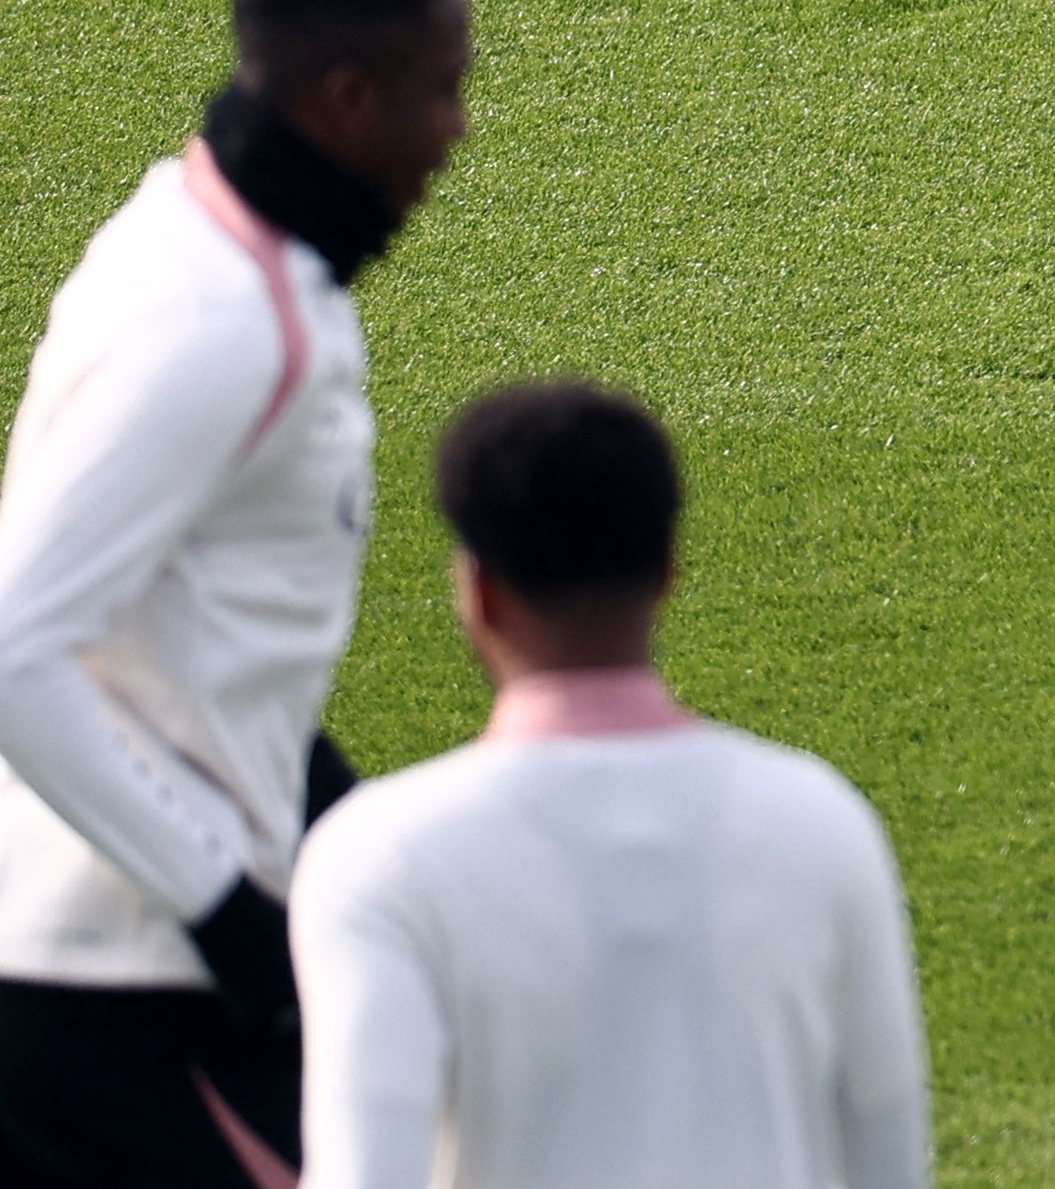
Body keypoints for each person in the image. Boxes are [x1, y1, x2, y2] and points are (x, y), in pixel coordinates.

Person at [0, 0, 469, 1186]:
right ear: (347, 95)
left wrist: (337, 828)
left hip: (104, 961)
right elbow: (15, 645)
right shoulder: (228, 324)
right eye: (442, 91)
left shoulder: (189, 235)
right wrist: (230, 919)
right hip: (124, 991)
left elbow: (177, 643)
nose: (458, 130)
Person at [294, 381, 929, 1189]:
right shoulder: (823, 824)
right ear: (667, 572)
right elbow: (890, 1160)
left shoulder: (380, 856)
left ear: (478, 591)